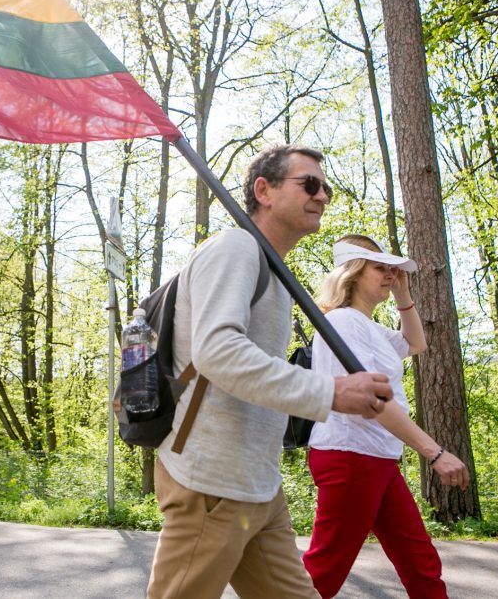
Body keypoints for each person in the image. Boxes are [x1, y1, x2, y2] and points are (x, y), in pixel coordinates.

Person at [147, 145, 395, 599]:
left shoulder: (272, 269)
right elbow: (218, 352)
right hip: (212, 483)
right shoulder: (236, 248)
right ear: (264, 190)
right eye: (310, 184)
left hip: (258, 485)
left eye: (327, 188)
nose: (323, 196)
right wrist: (330, 392)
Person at [302, 234, 470, 599]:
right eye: (380, 268)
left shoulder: (371, 328)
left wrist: (403, 294)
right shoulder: (345, 322)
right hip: (350, 457)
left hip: (376, 458)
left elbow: (416, 344)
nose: (389, 274)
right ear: (354, 272)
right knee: (323, 574)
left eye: (392, 269)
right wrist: (435, 453)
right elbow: (374, 402)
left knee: (419, 562)